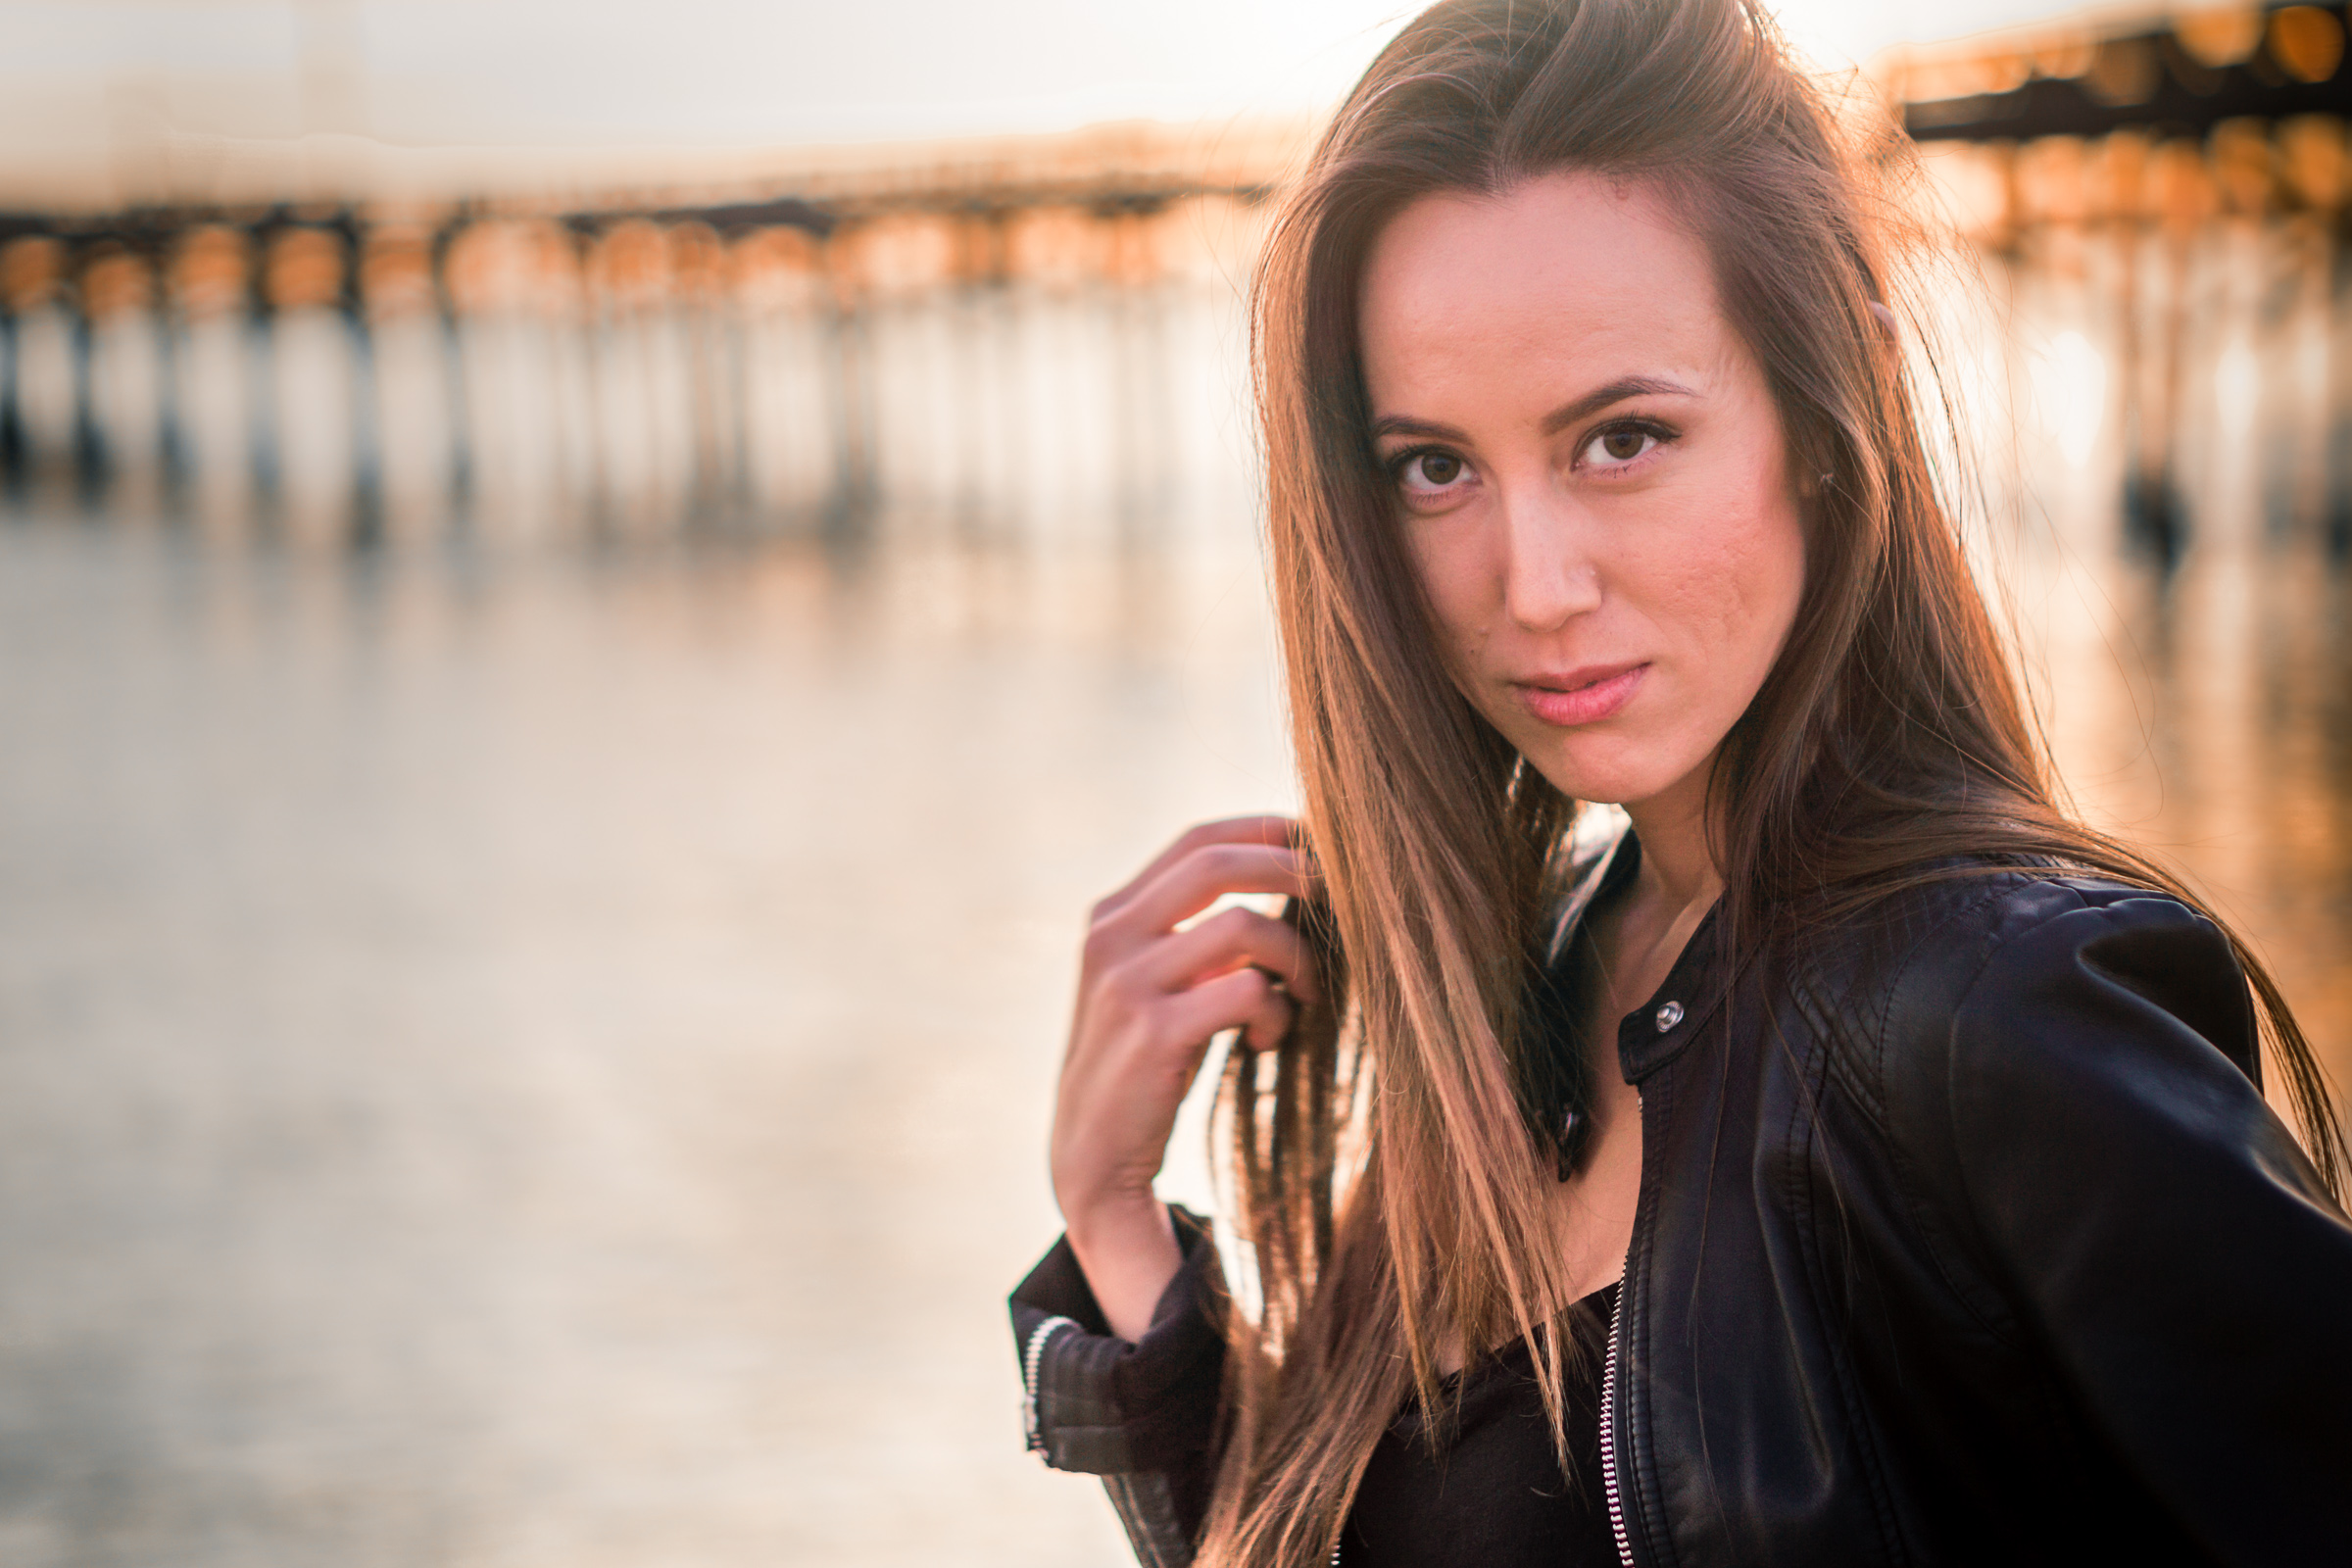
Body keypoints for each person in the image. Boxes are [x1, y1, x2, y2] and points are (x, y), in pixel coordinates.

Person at [1008, 1, 2352, 1563]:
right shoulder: (1541, 970)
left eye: (1622, 438)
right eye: (1433, 467)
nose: (1534, 584)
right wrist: (1115, 1229)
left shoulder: (2000, 1011)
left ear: (1827, 410)